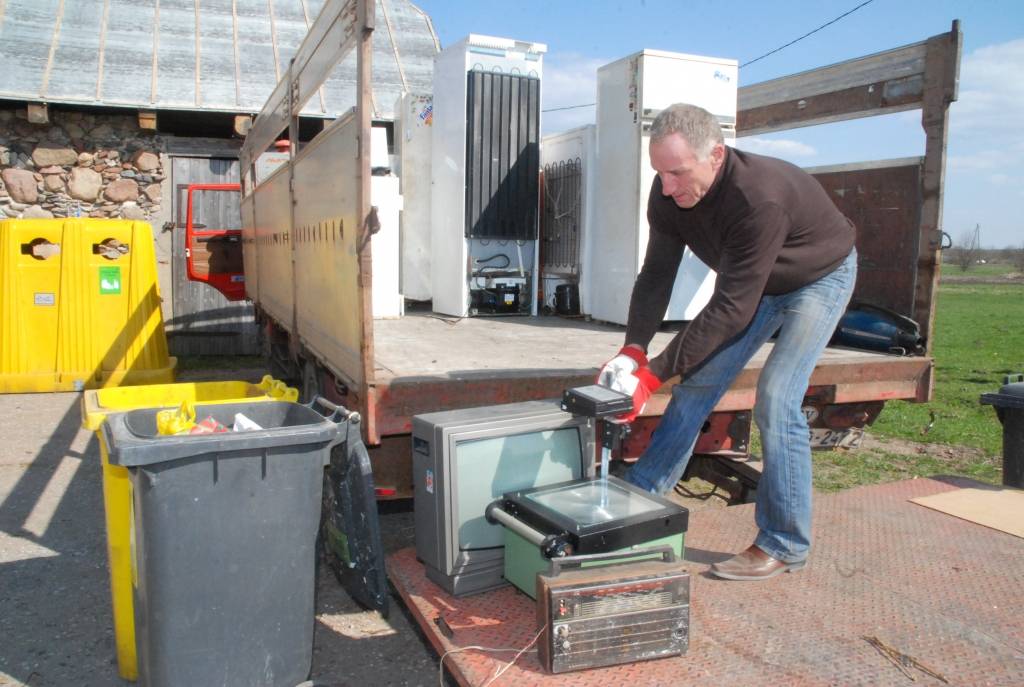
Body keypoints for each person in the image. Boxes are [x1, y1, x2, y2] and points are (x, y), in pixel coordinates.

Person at [597, 103, 857, 581]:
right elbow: (657, 273)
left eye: (678, 173)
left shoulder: (758, 198)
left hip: (817, 277)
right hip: (754, 282)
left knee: (777, 397)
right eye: (660, 173)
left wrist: (652, 376)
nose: (667, 186)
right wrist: (634, 349)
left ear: (716, 155)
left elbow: (732, 308)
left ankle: (784, 543)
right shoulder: (669, 191)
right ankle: (642, 498)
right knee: (698, 383)